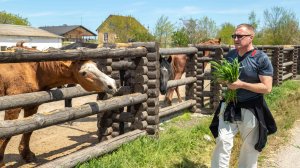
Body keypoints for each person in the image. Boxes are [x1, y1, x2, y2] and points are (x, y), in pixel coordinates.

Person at [209, 24, 277, 168]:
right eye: (234, 36)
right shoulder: (231, 56)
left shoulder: (260, 58)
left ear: (251, 37)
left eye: (240, 36)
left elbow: (267, 87)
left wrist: (241, 84)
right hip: (230, 104)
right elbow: (221, 78)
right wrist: (226, 81)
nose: (236, 39)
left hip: (251, 106)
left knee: (249, 146)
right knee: (222, 140)